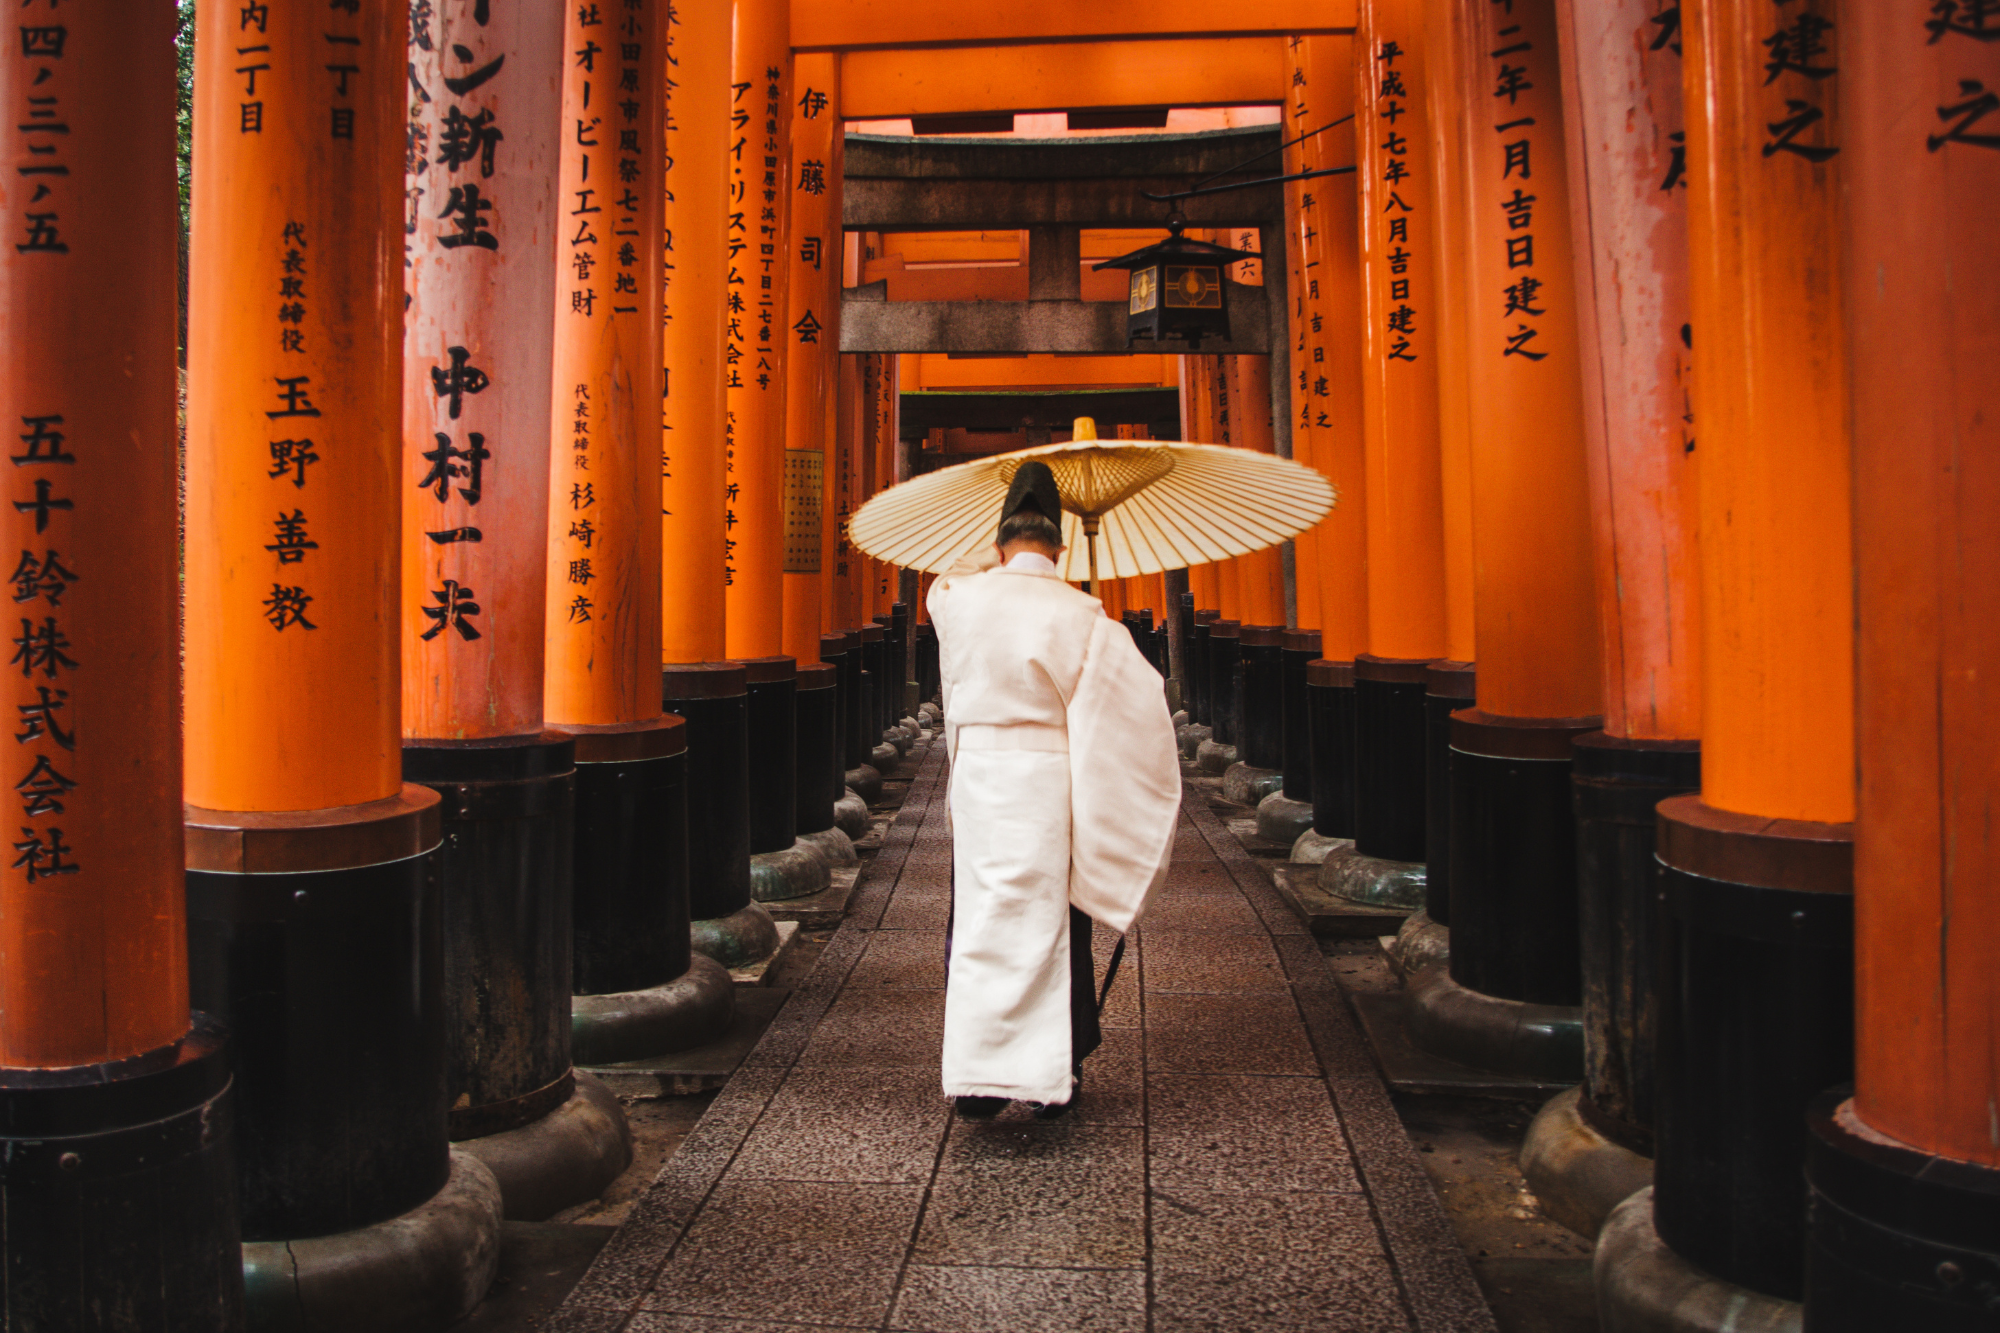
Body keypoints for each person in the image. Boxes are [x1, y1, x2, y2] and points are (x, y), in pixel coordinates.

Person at [925, 460, 1182, 1119]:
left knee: (981, 918)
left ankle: (977, 1079)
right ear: (1062, 545)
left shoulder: (955, 599)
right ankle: (1054, 1072)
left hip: (981, 782)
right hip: (1047, 781)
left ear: (998, 541)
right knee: (1056, 919)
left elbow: (949, 591)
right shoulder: (1085, 614)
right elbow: (1132, 707)